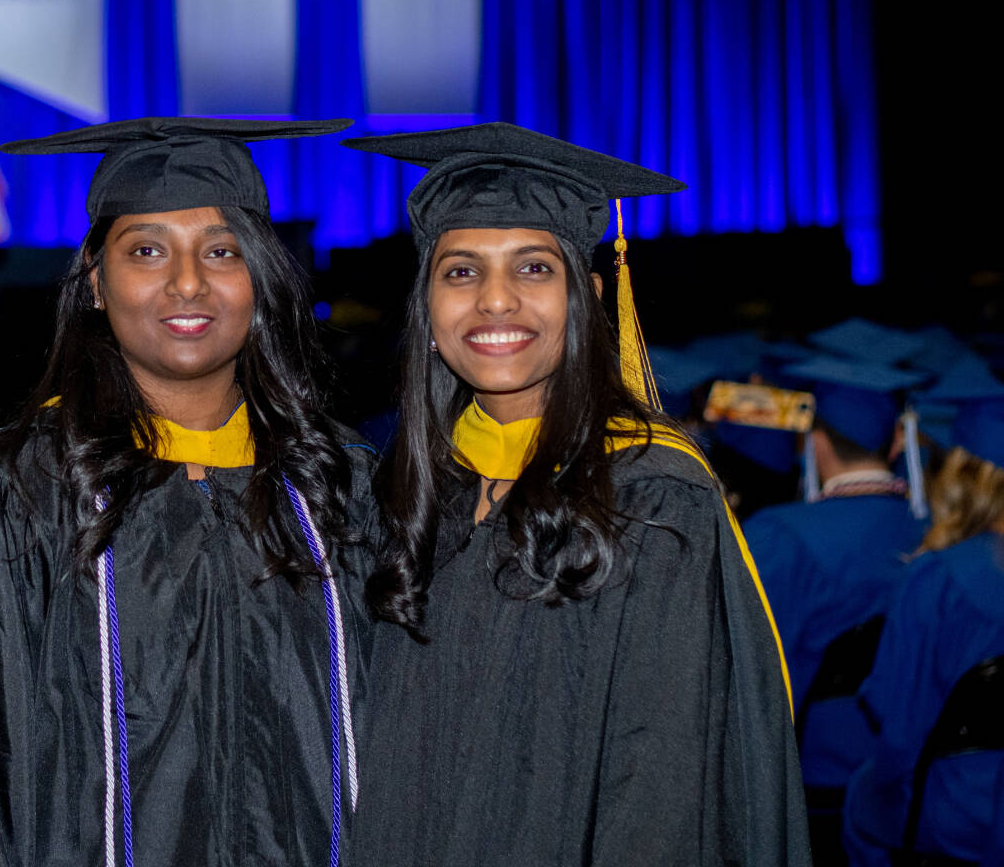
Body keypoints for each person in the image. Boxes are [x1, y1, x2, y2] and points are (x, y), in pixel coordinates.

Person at [0, 117, 373, 866]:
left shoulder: (342, 491)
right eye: (147, 251)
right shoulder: (15, 498)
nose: (187, 282)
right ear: (97, 286)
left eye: (222, 251)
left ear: (263, 286)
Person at [345, 122, 809, 867]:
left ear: (587, 298)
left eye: (533, 269)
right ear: (427, 310)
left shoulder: (654, 499)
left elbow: (660, 785)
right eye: (461, 272)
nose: (495, 303)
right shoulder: (397, 496)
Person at [741, 357, 930, 859]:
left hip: (810, 778)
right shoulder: (937, 538)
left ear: (814, 441)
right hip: (905, 781)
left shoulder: (777, 536)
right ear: (897, 442)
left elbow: (753, 679)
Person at [843, 379, 1004, 866]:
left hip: (954, 812)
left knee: (861, 802)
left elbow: (899, 727)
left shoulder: (942, 578)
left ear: (962, 473)